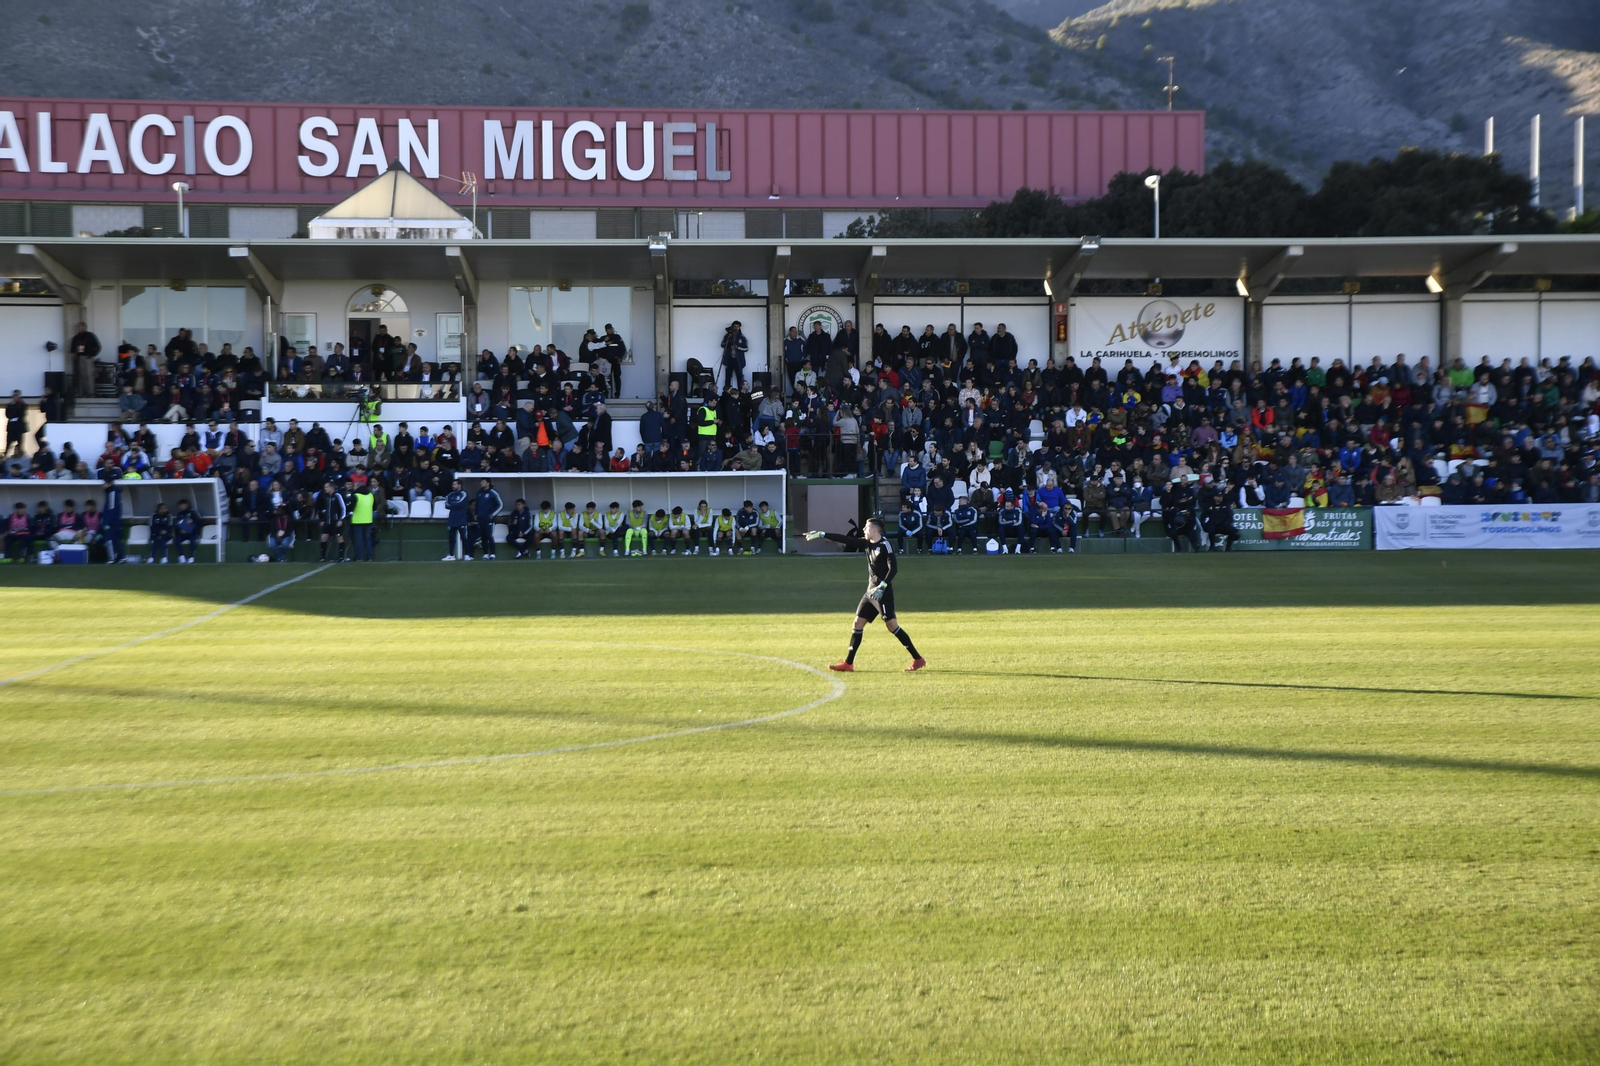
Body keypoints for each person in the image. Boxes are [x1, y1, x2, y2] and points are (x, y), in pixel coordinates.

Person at [805, 517, 925, 673]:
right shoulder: (867, 543)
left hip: (882, 593)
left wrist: (883, 585)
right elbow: (846, 539)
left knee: (892, 626)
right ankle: (848, 663)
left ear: (875, 530)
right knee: (857, 623)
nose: (863, 529)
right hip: (870, 591)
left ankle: (918, 659)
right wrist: (822, 533)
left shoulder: (885, 545)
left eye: (866, 527)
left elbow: (893, 568)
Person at [314, 480, 346, 563]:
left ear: (332, 487)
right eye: (325, 487)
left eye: (327, 487)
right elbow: (325, 510)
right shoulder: (326, 497)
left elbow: (343, 508)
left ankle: (342, 557)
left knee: (339, 538)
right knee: (323, 538)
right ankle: (322, 557)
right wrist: (323, 520)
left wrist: (341, 519)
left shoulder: (337, 495)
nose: (325, 489)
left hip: (336, 522)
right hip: (327, 522)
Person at [472, 478, 503, 559]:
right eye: (481, 482)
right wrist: (475, 514)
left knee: (489, 535)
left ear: (488, 483)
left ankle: (493, 553)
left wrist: (493, 514)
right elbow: (477, 505)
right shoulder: (479, 493)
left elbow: (500, 505)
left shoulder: (493, 492)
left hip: (489, 519)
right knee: (483, 536)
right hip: (480, 518)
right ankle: (485, 554)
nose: (481, 483)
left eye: (483, 482)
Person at [443, 479, 471, 560]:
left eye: (455, 484)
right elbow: (446, 504)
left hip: (461, 519)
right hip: (452, 519)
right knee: (451, 538)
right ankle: (451, 555)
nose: (453, 486)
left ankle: (467, 555)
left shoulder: (464, 493)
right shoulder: (450, 494)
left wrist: (453, 504)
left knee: (464, 538)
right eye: (453, 484)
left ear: (460, 485)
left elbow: (461, 503)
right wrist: (454, 505)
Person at [349, 480, 376, 561]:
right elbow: (374, 507)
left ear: (357, 487)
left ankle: (359, 557)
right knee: (368, 539)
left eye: (354, 486)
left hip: (357, 520)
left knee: (359, 540)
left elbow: (351, 508)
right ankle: (369, 557)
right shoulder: (371, 495)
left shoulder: (356, 495)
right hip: (368, 520)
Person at [173, 499, 202, 564]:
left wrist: (193, 521)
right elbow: (177, 524)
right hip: (183, 533)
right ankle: (181, 557)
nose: (180, 507)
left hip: (193, 533)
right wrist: (180, 530)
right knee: (176, 540)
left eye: (181, 505)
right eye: (179, 506)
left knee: (193, 541)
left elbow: (200, 521)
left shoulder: (193, 512)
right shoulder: (180, 514)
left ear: (186, 504)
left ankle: (191, 557)